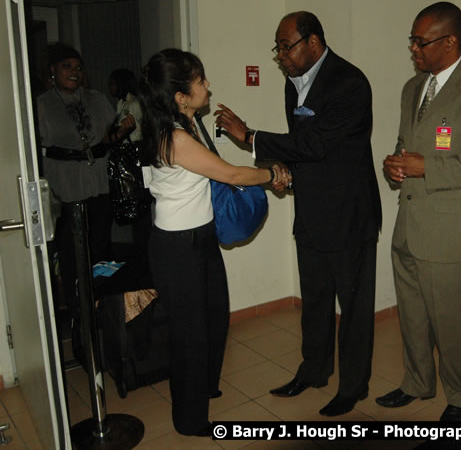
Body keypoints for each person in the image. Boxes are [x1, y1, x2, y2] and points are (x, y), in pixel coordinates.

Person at [215, 11, 382, 417]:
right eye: (277, 48)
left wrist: (250, 136)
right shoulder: (293, 85)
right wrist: (286, 175)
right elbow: (300, 146)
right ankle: (314, 370)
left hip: (348, 215)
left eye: (285, 46)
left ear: (313, 42)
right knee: (316, 301)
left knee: (354, 308)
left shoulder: (349, 82)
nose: (280, 56)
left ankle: (353, 387)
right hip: (310, 211)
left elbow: (319, 145)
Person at [138, 48, 286, 436]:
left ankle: (204, 386)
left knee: (214, 316)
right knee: (190, 333)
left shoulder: (186, 123)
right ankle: (190, 420)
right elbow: (233, 175)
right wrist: (272, 172)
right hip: (177, 246)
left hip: (199, 237)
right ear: (180, 96)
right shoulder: (175, 137)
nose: (208, 87)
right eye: (200, 81)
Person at [379, 1, 461, 422]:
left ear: (450, 41)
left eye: (422, 41)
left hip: (454, 234)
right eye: (412, 40)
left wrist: (425, 166)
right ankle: (417, 383)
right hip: (409, 226)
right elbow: (408, 144)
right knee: (413, 315)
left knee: (454, 324)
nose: (414, 49)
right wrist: (398, 164)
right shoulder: (411, 88)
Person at [37, 43, 132, 318]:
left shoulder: (97, 99)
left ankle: (101, 302)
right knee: (69, 247)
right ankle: (76, 307)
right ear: (52, 70)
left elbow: (105, 141)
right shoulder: (41, 104)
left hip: (97, 180)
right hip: (64, 184)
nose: (74, 72)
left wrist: (122, 132)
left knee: (99, 242)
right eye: (67, 66)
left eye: (78, 67)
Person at [108, 68, 142, 142]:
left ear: (121, 83)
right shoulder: (121, 103)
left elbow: (138, 134)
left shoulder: (134, 103)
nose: (109, 87)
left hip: (131, 149)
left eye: (112, 83)